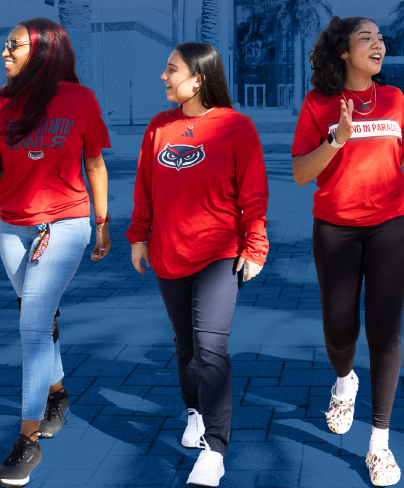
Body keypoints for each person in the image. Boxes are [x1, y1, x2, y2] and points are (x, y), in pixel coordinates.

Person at [0, 18, 112, 487]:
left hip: (65, 223)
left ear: (43, 51)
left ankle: (27, 443)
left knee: (32, 328)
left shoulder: (79, 100)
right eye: (5, 45)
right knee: (38, 320)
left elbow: (95, 163)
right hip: (12, 229)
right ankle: (58, 392)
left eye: (14, 46)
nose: (5, 52)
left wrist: (102, 225)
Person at [290, 16, 404, 486]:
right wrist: (337, 138)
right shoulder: (318, 103)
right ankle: (344, 381)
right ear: (343, 51)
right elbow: (300, 173)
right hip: (335, 230)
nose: (379, 44)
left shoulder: (394, 98)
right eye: (366, 38)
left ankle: (378, 443)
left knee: (385, 333)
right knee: (340, 332)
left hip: (389, 227)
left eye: (380, 38)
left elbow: (402, 160)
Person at [127, 42, 269, 487]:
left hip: (218, 253)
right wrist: (137, 235)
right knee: (186, 345)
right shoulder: (159, 127)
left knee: (211, 349)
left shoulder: (236, 127)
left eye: (172, 70)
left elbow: (253, 192)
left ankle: (215, 449)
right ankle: (194, 411)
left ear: (198, 78)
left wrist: (255, 245)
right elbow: (145, 188)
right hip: (169, 253)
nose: (164, 78)